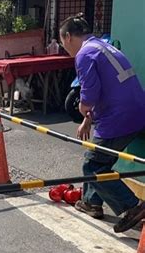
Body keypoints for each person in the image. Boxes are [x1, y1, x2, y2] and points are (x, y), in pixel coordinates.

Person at [59, 13, 145, 233]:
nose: (65, 49)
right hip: (136, 111)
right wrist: (89, 119)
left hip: (119, 117)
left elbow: (89, 93)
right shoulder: (103, 46)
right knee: (98, 156)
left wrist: (84, 109)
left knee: (93, 165)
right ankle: (91, 202)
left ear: (68, 37)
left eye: (62, 43)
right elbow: (108, 87)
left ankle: (132, 206)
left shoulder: (84, 55)